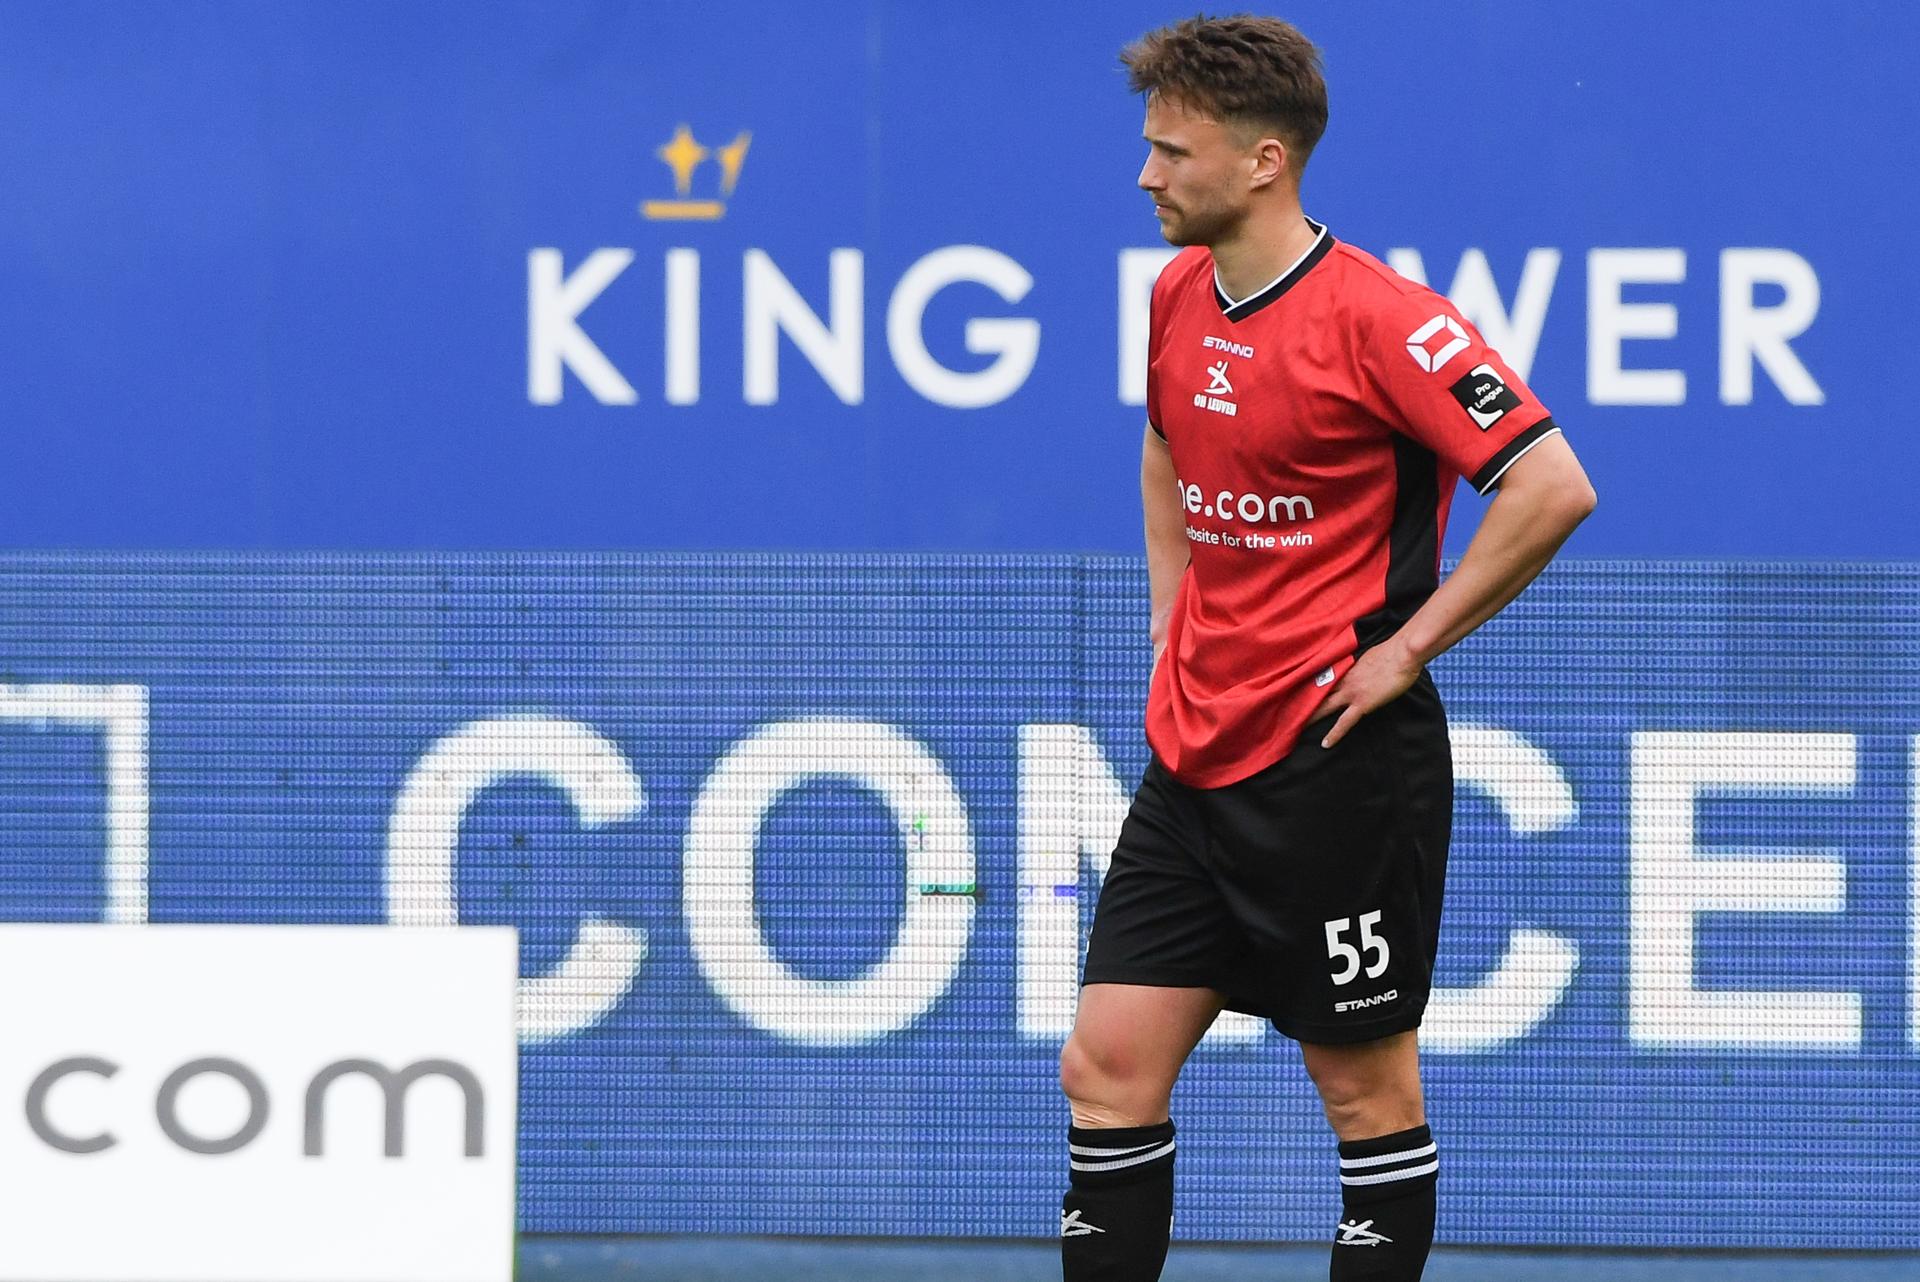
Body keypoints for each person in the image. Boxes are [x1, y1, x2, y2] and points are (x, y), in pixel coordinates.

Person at [1058, 15, 1597, 1282]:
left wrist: (1406, 651)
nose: (1145, 174)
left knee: (1362, 1097)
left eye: (1169, 151)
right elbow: (1165, 448)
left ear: (1262, 162)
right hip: (1194, 759)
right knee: (1106, 1065)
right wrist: (1168, 616)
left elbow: (1552, 486)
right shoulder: (1179, 291)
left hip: (1339, 763)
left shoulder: (1386, 321)